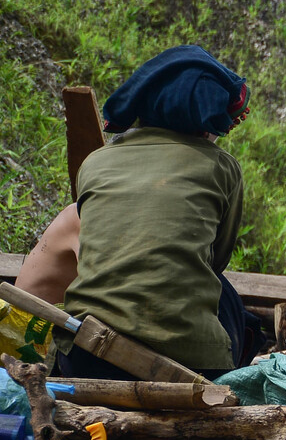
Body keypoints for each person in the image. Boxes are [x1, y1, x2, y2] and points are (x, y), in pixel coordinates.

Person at [58, 45, 253, 379]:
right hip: (187, 362)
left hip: (85, 352)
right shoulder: (222, 166)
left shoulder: (95, 161)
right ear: (202, 118)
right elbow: (216, 259)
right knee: (232, 303)